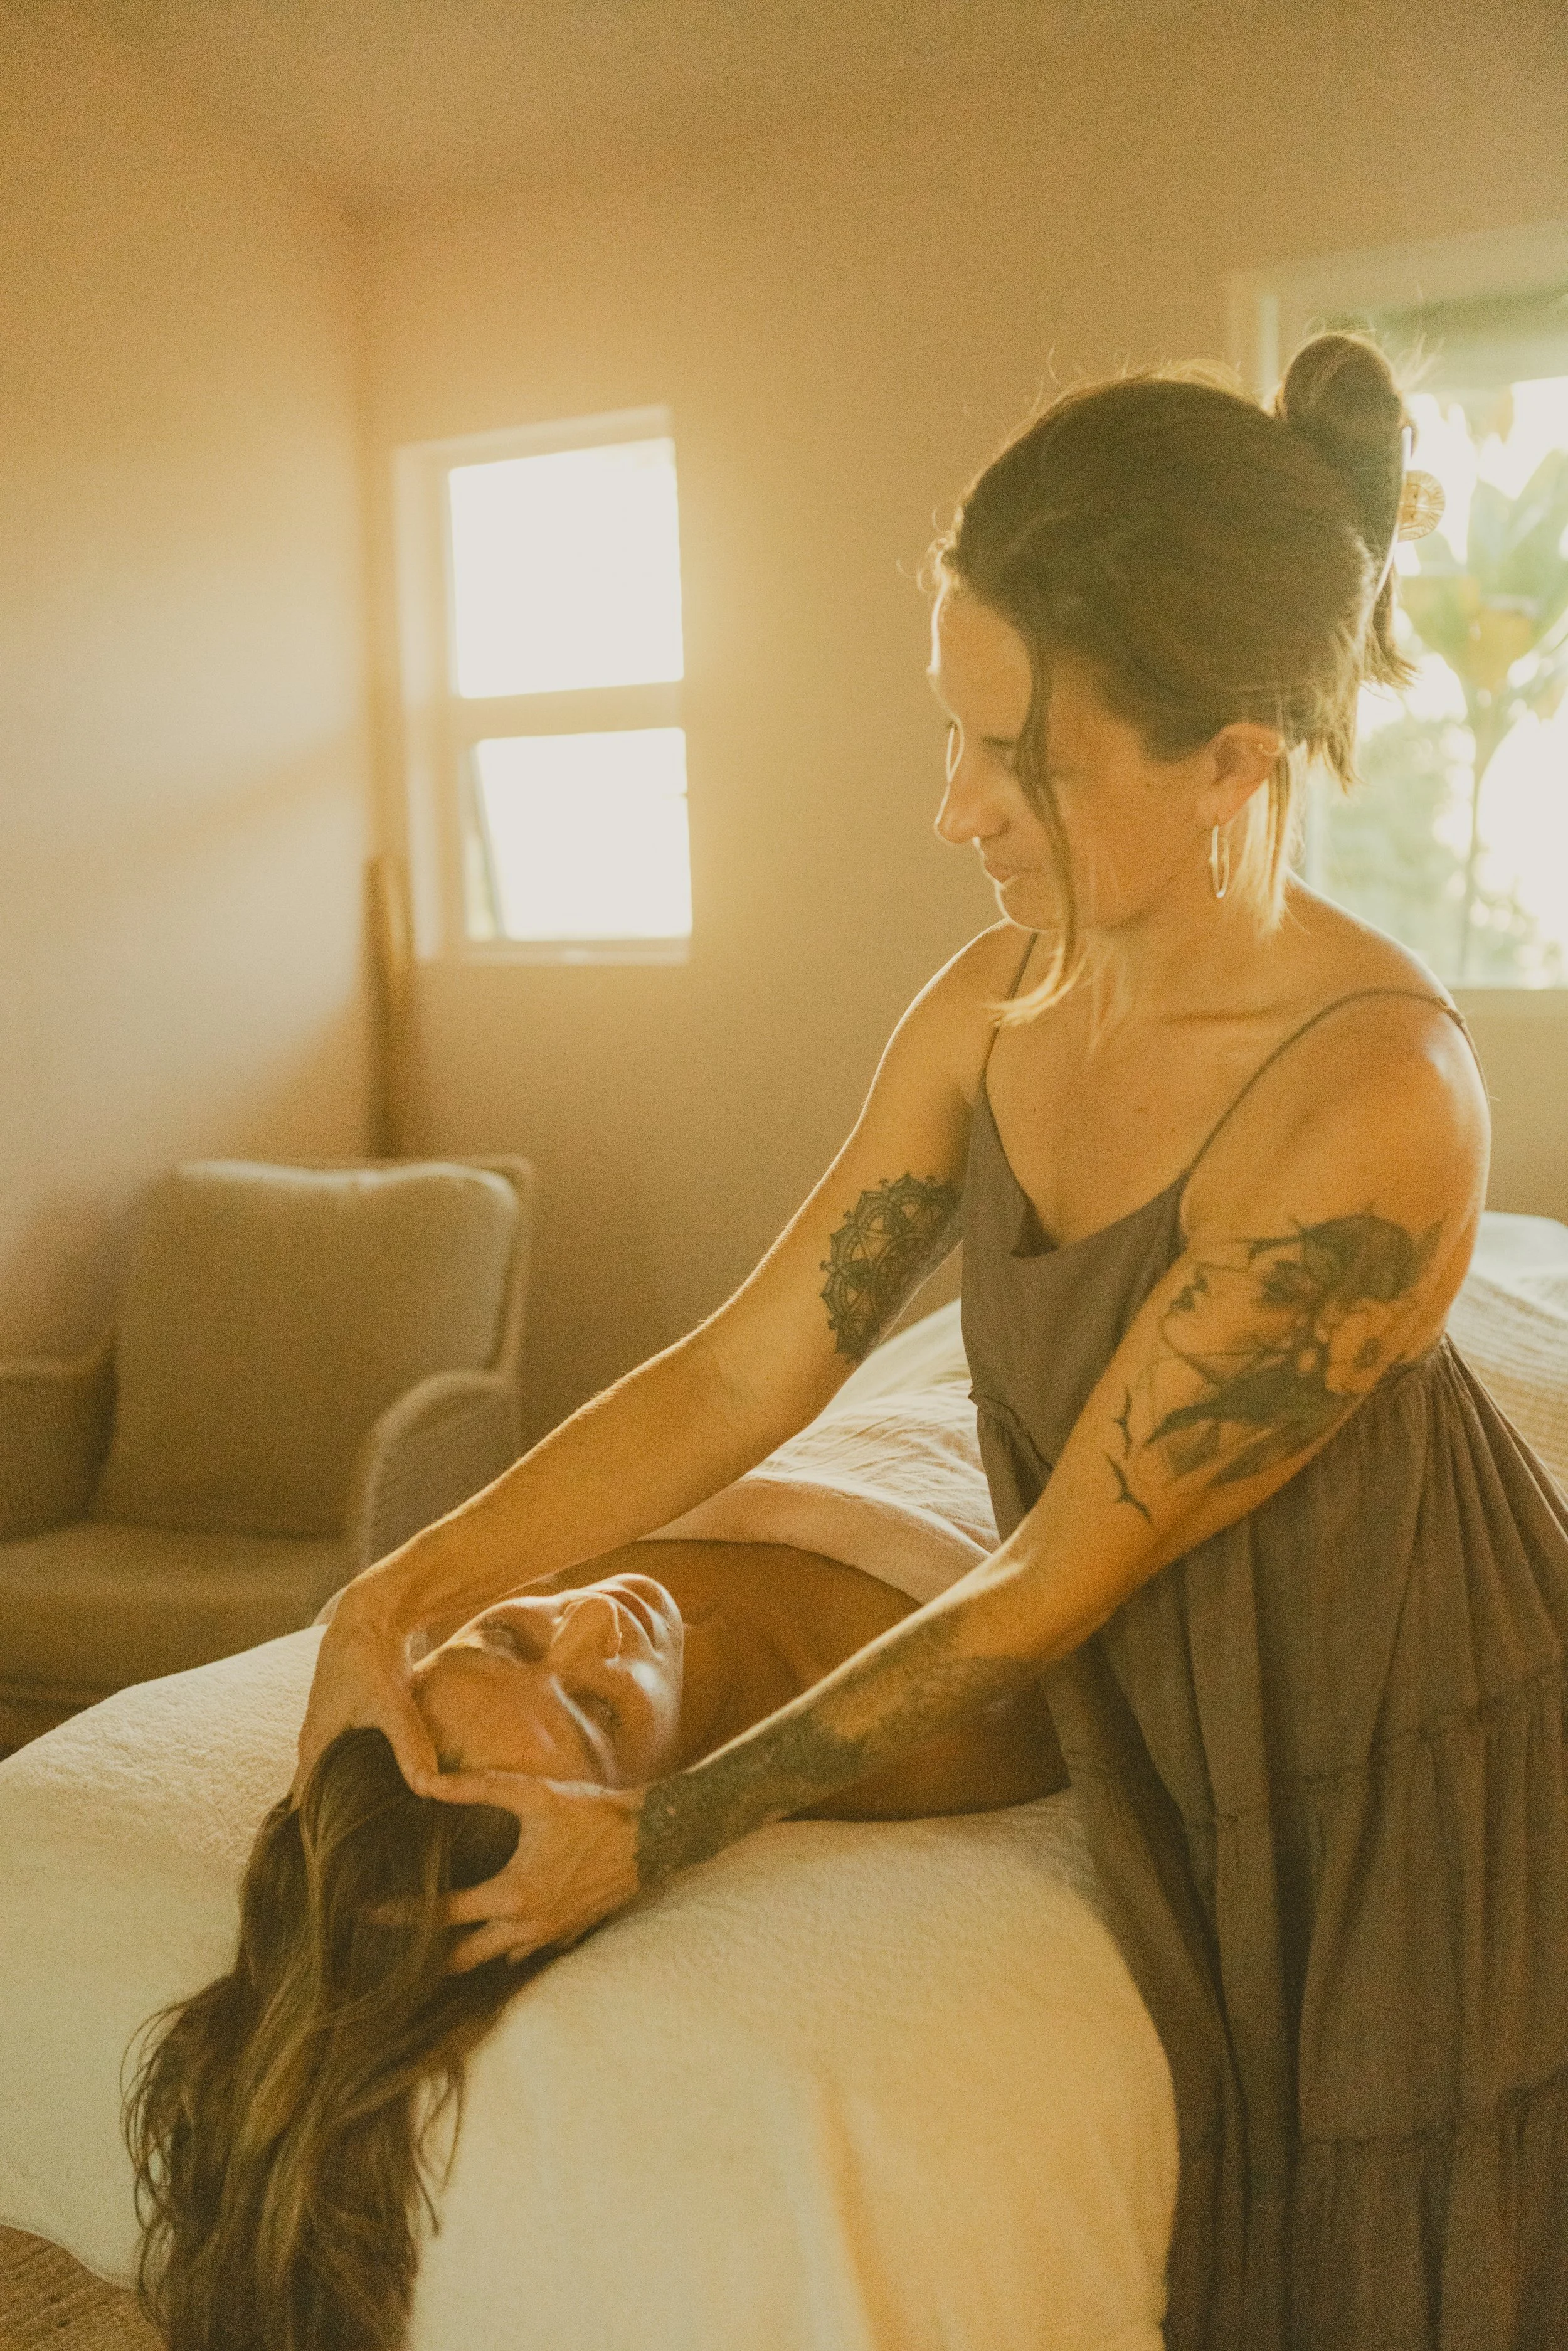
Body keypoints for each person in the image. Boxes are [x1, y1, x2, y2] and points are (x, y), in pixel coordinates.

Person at [289, 332, 1567, 2348]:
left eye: (1019, 759)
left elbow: (1058, 1569)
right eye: (951, 731)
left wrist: (661, 1828)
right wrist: (407, 1580)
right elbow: (741, 1368)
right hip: (1183, 1708)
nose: (950, 805)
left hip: (1405, 1732)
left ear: (1233, 756)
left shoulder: (1372, 1097)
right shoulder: (992, 1007)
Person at [126, 1539, 1061, 2351]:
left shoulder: (554, 1565)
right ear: (603, 1839)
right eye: (599, 1713)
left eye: (509, 1637)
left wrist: (376, 1606)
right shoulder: (945, 1737)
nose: (593, 1619)